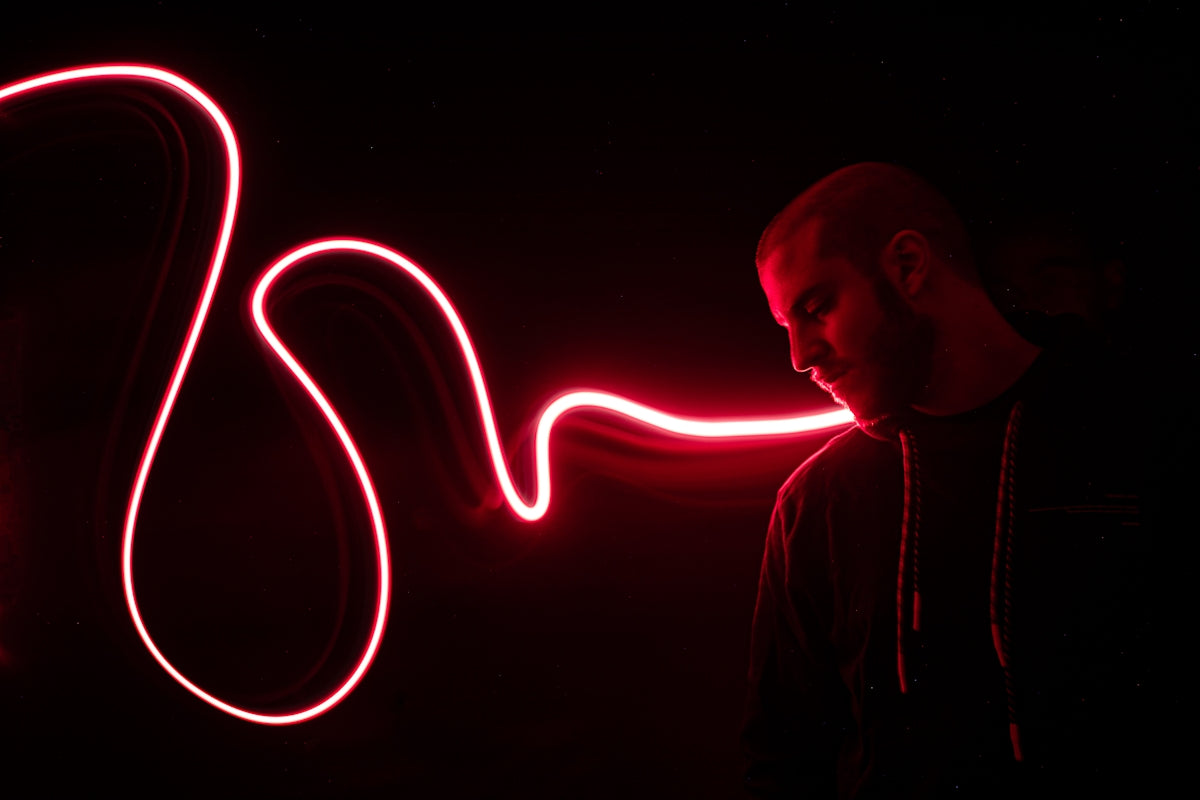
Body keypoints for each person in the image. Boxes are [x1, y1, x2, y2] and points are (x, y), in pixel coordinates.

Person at [742, 162, 1157, 797]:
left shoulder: (1141, 433)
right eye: (787, 327)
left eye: (817, 307)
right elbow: (783, 755)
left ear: (908, 265)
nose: (800, 356)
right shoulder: (817, 501)